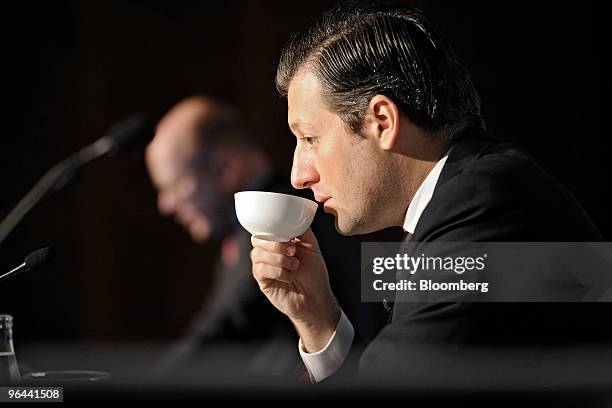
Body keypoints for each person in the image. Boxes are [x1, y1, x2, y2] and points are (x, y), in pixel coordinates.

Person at [249, 0, 612, 384]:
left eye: (310, 137)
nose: (298, 176)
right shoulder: (475, 194)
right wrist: (318, 320)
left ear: (382, 122)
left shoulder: (485, 206)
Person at [145, 95, 388, 377]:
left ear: (225, 168)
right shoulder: (256, 222)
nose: (166, 205)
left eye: (176, 186)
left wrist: (145, 389)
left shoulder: (277, 218)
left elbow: (226, 326)